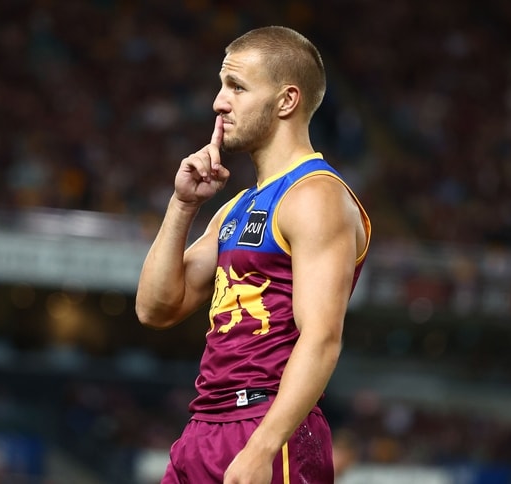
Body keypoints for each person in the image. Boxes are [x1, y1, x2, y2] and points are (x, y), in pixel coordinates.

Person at [135, 26, 371, 484]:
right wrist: (183, 205)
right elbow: (154, 307)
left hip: (267, 428)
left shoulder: (316, 197)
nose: (219, 103)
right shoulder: (238, 207)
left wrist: (264, 446)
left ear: (286, 101)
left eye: (237, 87)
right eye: (222, 86)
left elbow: (321, 338)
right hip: (204, 427)